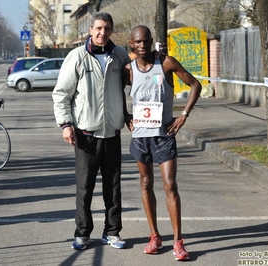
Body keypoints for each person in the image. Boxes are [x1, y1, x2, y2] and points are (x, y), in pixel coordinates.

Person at [52, 12, 131, 250]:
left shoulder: (119, 56)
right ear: (90, 29)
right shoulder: (77, 56)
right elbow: (61, 94)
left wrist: (126, 115)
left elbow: (130, 85)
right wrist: (66, 124)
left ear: (111, 31)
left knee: (113, 187)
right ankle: (83, 233)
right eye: (98, 28)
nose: (102, 33)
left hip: (112, 135)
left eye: (107, 29)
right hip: (85, 135)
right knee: (85, 188)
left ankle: (112, 232)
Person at [125, 25, 201, 261]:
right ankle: (154, 236)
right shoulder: (128, 70)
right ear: (132, 44)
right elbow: (115, 93)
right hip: (140, 136)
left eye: (146, 41)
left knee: (170, 185)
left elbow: (195, 85)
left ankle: (178, 242)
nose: (142, 45)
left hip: (163, 135)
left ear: (151, 41)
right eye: (138, 42)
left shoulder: (166, 62)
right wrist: (125, 116)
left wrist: (184, 115)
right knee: (146, 183)